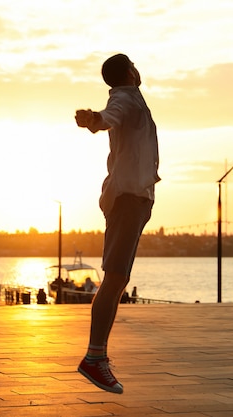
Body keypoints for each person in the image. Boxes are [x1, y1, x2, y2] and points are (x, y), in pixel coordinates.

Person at [74, 53, 160, 394]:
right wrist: (94, 119)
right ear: (129, 71)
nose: (139, 69)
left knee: (119, 278)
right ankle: (95, 358)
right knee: (114, 277)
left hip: (135, 198)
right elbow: (109, 117)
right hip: (126, 199)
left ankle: (97, 357)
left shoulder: (133, 100)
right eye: (135, 65)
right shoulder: (124, 98)